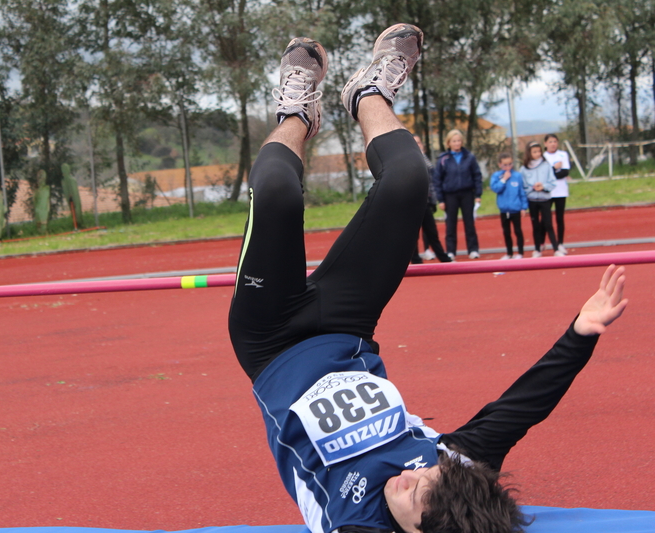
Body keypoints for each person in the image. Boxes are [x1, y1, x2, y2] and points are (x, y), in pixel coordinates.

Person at [228, 25, 628, 533]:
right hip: (346, 328)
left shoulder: (359, 525)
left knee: (277, 191)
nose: (411, 476)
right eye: (428, 474)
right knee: (411, 181)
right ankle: (369, 94)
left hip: (269, 342)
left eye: (416, 498)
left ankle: (294, 114)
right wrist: (582, 333)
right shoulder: (452, 469)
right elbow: (520, 408)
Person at [432, 129, 482, 260]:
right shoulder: (443, 159)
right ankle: (451, 251)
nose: (457, 143)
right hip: (450, 195)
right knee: (451, 224)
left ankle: (473, 249)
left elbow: (477, 175)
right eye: (454, 141)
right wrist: (441, 199)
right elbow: (437, 179)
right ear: (449, 143)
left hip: (467, 194)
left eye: (459, 140)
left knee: (469, 223)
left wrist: (478, 194)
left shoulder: (469, 157)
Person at [411, 134, 451, 264]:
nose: (418, 145)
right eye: (414, 143)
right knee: (413, 235)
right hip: (412, 203)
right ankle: (415, 259)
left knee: (431, 232)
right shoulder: (408, 161)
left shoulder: (426, 160)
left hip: (426, 202)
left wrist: (433, 200)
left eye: (419, 143)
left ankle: (444, 258)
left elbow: (432, 182)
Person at [520, 141, 564, 258]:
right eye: (534, 152)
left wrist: (543, 186)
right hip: (532, 200)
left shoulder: (546, 165)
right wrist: (532, 188)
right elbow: (523, 185)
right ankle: (537, 249)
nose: (537, 154)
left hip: (545, 199)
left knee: (548, 224)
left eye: (539, 151)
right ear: (529, 153)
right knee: (535, 225)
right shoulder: (524, 169)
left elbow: (552, 182)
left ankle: (556, 248)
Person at [490, 153, 528, 259]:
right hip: (504, 210)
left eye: (510, 164)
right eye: (505, 165)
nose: (508, 167)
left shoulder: (517, 176)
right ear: (500, 165)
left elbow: (522, 192)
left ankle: (520, 252)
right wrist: (504, 179)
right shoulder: (496, 176)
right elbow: (496, 188)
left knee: (518, 231)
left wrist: (523, 207)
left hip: (515, 209)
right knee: (506, 232)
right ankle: (509, 253)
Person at [543, 134, 570, 254]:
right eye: (550, 142)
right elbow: (544, 175)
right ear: (545, 144)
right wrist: (554, 168)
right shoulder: (543, 157)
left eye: (555, 141)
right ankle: (541, 243)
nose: (553, 144)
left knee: (560, 218)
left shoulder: (563, 155)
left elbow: (564, 172)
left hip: (561, 191)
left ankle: (560, 243)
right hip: (547, 192)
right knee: (545, 219)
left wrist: (552, 173)